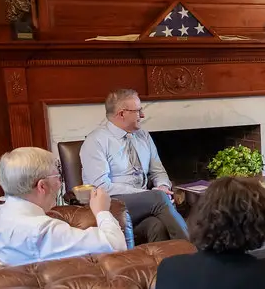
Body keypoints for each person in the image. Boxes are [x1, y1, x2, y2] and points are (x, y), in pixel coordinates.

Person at [0, 147, 127, 266]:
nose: (60, 183)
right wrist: (102, 211)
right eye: (58, 177)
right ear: (42, 186)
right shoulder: (41, 230)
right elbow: (116, 245)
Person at [80, 88, 188, 244]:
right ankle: (194, 252)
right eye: (138, 111)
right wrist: (147, 194)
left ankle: (162, 267)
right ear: (122, 113)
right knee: (158, 197)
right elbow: (101, 187)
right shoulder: (96, 141)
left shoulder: (143, 136)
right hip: (111, 204)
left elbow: (158, 171)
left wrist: (163, 186)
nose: (143, 115)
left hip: (144, 203)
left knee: (156, 226)